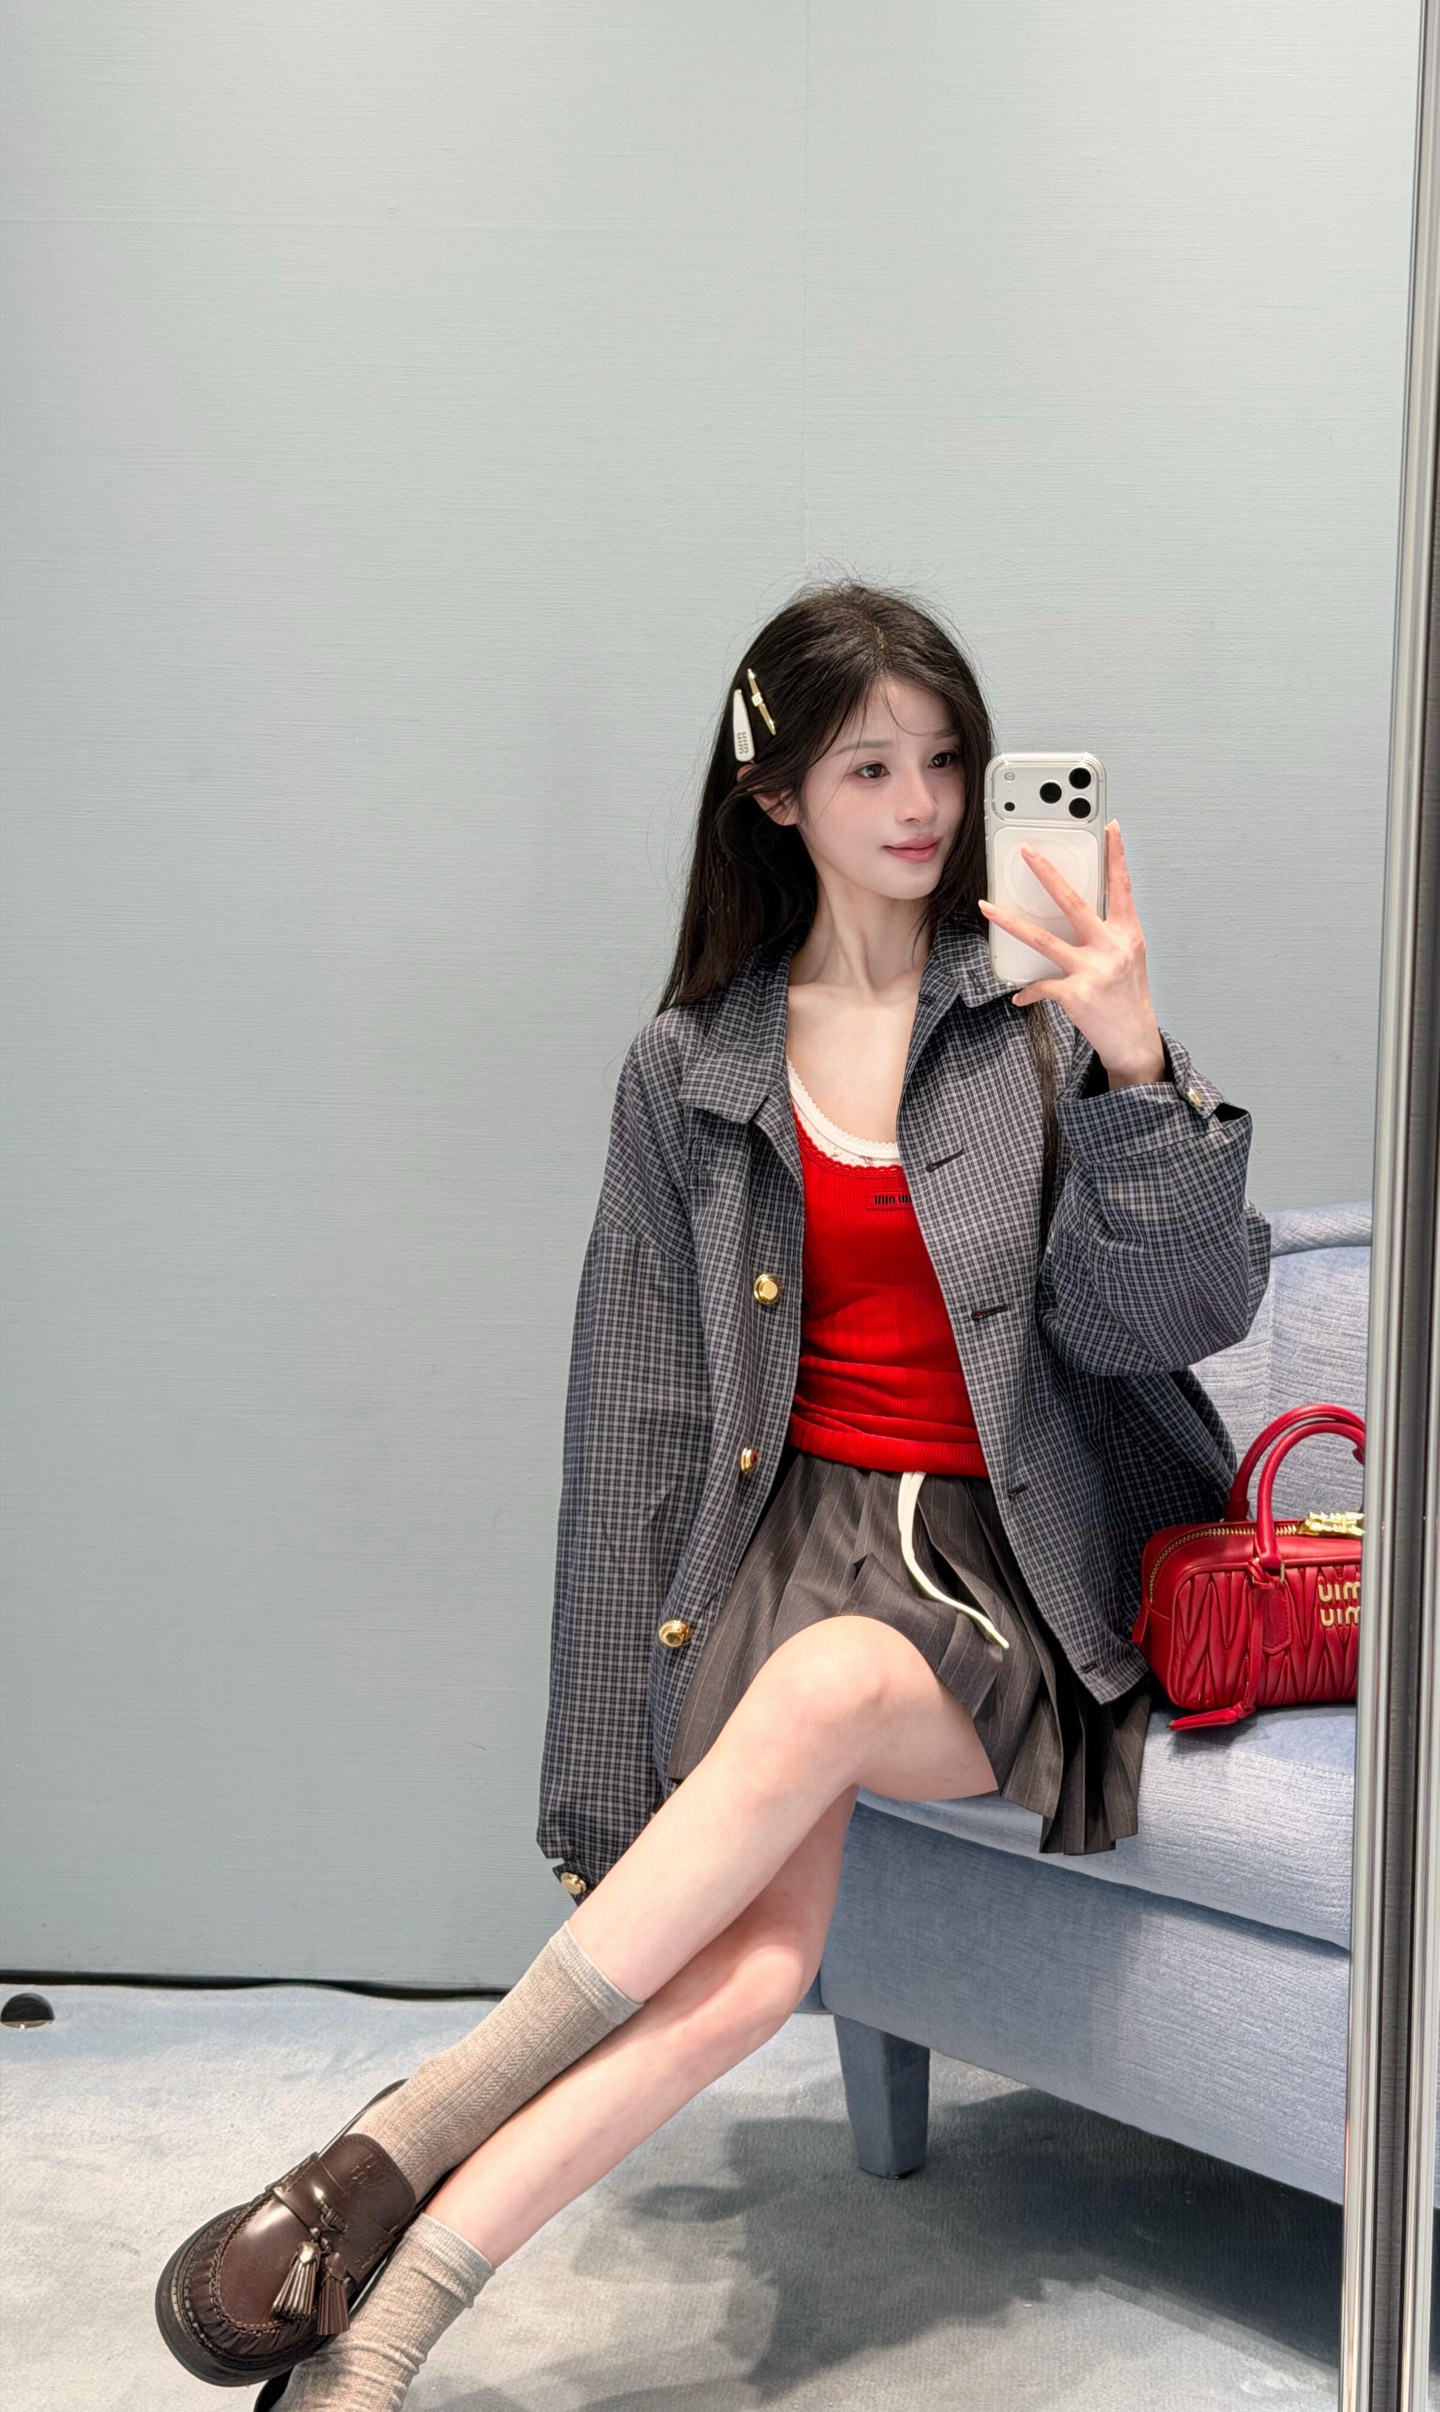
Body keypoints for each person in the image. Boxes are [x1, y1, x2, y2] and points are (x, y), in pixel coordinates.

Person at [155, 581, 1271, 2407]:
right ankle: (381, 2338)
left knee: (825, 1689)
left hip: (1004, 1562)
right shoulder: (688, 1070)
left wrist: (1138, 1060)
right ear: (775, 796)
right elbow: (638, 1428)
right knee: (751, 1977)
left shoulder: (1043, 1022)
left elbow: (1171, 1318)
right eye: (870, 767)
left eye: (945, 761)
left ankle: (394, 2137)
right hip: (779, 1548)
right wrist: (604, 1767)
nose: (923, 804)